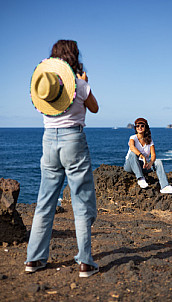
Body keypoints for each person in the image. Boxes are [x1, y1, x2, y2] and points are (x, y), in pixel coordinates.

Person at [25, 40, 99, 278]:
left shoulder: (45, 85)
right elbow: (95, 108)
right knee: (81, 200)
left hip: (49, 141)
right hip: (73, 141)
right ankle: (85, 262)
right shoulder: (78, 84)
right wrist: (85, 83)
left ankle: (34, 259)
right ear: (74, 56)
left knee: (45, 201)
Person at [124, 118, 172, 194]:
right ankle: (140, 178)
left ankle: (164, 186)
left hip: (143, 166)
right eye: (137, 126)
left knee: (158, 162)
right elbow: (132, 147)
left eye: (142, 126)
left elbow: (153, 155)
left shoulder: (149, 140)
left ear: (146, 128)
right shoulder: (133, 138)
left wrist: (151, 163)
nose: (140, 127)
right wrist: (142, 157)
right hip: (130, 166)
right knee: (132, 154)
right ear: (135, 128)